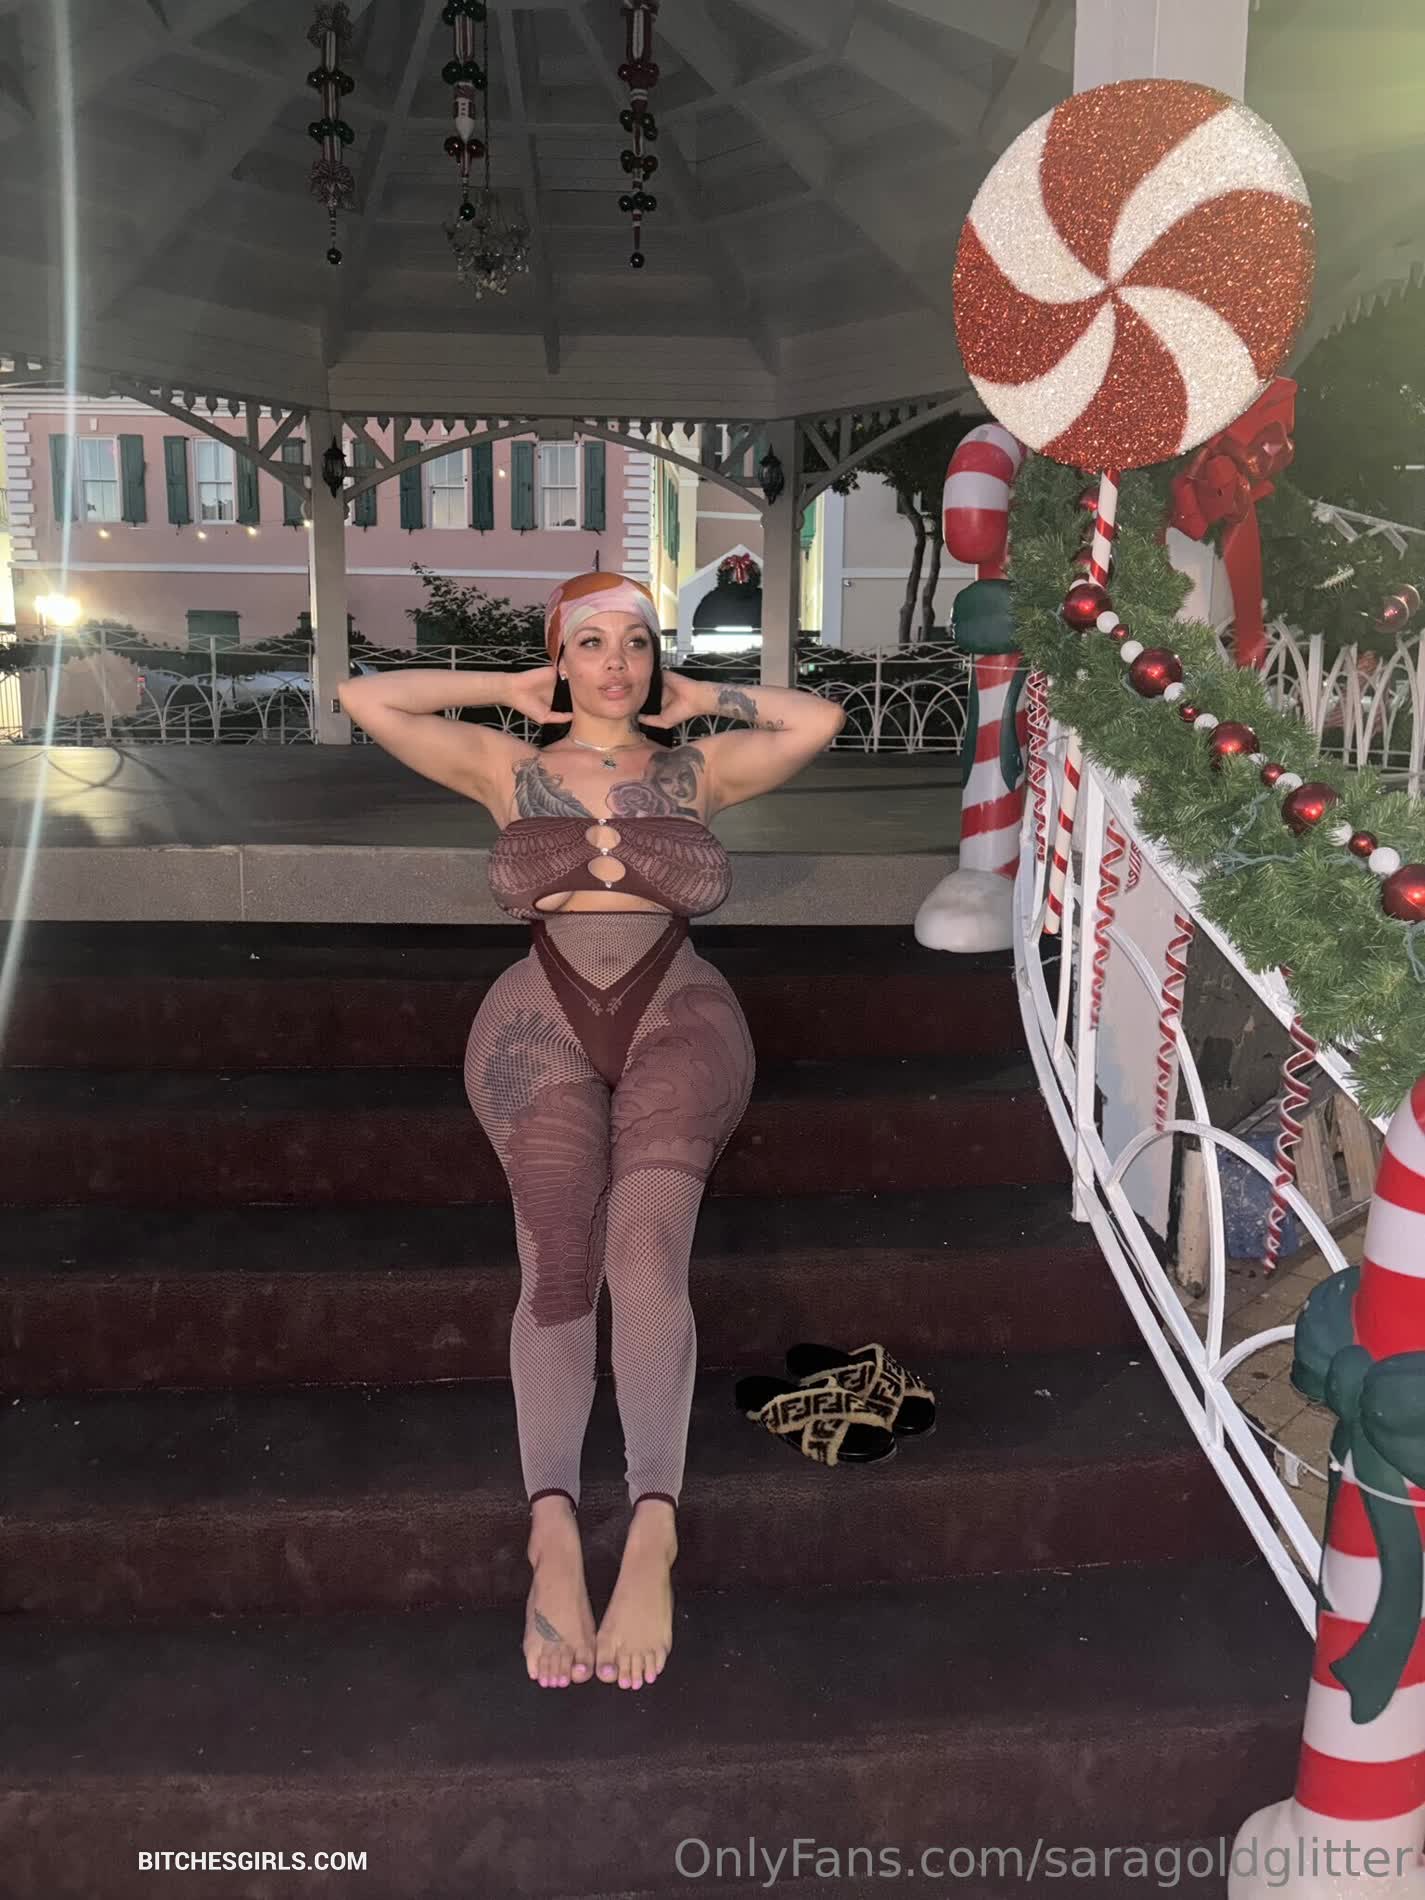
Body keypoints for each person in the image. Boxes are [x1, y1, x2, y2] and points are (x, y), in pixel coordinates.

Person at [340, 569, 845, 1694]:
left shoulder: (695, 769)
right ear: (560, 657)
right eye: (591, 643)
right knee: (558, 1264)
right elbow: (365, 697)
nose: (616, 663)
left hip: (680, 1008)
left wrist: (700, 697)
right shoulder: (504, 766)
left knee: (646, 1249)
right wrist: (508, 689)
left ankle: (654, 1528)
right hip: (540, 1015)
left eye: (636, 643)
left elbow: (819, 718)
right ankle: (553, 1529)